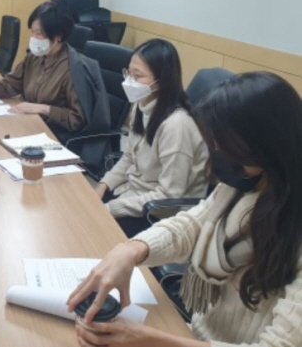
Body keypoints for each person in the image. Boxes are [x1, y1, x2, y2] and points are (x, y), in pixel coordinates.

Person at [67, 71, 302, 347]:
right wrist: (132, 250)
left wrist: (149, 340)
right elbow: (191, 225)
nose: (217, 153)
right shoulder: (248, 183)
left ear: (268, 147)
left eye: (227, 147)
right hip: (194, 335)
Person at [0, 1, 109, 166]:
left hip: (55, 138)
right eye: (32, 32)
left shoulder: (74, 69)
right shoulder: (35, 57)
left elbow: (77, 119)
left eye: (39, 34)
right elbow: (11, 84)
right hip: (29, 126)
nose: (33, 38)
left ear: (58, 36)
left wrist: (42, 108)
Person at [96, 39, 208, 237]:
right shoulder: (142, 104)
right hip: (134, 194)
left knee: (94, 234)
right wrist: (104, 185)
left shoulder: (176, 125)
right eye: (129, 73)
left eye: (138, 76)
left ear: (162, 80)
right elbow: (129, 157)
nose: (130, 81)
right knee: (81, 210)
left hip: (159, 213)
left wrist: (113, 207)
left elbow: (169, 195)